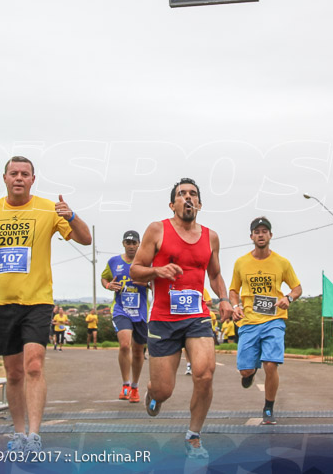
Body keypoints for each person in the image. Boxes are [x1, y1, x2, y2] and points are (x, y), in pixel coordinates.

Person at [0, 156, 91, 454]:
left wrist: (72, 215)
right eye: (14, 173)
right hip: (2, 303)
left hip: (37, 300)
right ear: (5, 178)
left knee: (34, 365)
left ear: (33, 180)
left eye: (25, 174)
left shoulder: (49, 209)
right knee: (13, 373)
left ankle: (35, 437)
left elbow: (86, 239)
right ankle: (20, 434)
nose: (19, 178)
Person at [130, 178, 234, 460]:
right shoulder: (157, 229)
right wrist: (157, 272)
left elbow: (214, 275)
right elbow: (135, 271)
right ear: (172, 203)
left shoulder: (211, 237)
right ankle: (153, 394)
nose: (187, 198)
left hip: (197, 316)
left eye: (193, 194)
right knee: (164, 390)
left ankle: (194, 436)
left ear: (199, 203)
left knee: (205, 373)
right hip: (163, 319)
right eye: (181, 194)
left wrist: (224, 299)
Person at [228, 217, 302, 425]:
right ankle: (249, 373)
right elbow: (233, 290)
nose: (260, 235)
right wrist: (235, 307)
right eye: (257, 231)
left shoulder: (282, 262)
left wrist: (289, 298)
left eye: (264, 231)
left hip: (274, 320)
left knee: (270, 365)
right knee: (245, 370)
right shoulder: (241, 263)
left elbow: (297, 288)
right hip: (249, 321)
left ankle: (268, 407)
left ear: (271, 235)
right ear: (251, 236)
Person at [101, 229, 149, 402]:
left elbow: (155, 281)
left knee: (138, 352)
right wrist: (108, 286)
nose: (131, 246)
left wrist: (146, 283)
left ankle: (135, 387)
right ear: (123, 244)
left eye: (134, 243)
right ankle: (125, 384)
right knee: (124, 344)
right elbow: (104, 278)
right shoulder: (114, 261)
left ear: (139, 244)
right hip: (121, 309)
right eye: (128, 243)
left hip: (141, 311)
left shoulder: (145, 262)